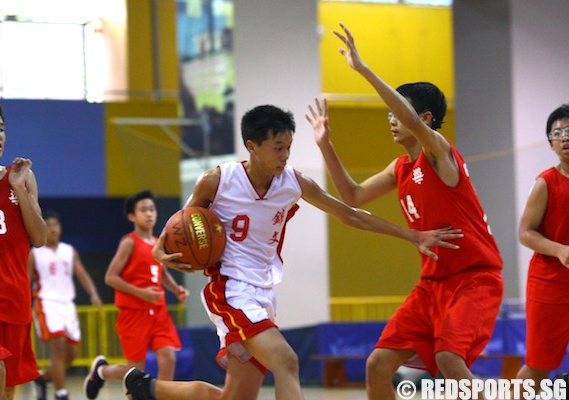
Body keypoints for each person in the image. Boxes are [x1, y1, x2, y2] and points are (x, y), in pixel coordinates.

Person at [137, 103, 463, 400]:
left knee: (235, 397)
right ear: (252, 146)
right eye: (278, 148)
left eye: (289, 148)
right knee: (287, 361)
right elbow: (170, 236)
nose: (285, 155)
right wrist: (159, 254)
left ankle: (146, 388)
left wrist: (410, 235)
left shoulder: (293, 182)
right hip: (229, 289)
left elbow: (348, 213)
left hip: (263, 293)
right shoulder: (217, 181)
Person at [305, 23, 504, 400]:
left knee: (449, 359)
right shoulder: (400, 168)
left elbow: (408, 118)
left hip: (473, 278)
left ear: (425, 119)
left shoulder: (439, 153)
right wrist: (325, 144)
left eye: (397, 112)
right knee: (377, 365)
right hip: (432, 283)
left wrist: (362, 69)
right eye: (389, 115)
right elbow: (353, 195)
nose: (392, 120)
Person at [0, 99, 47, 400]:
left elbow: (38, 237)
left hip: (15, 299)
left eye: (2, 129)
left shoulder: (23, 177)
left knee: (7, 391)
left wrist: (18, 190)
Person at [84, 190, 193, 399]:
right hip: (134, 313)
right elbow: (110, 277)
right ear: (132, 216)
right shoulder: (129, 242)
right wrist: (141, 293)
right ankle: (102, 371)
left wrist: (175, 289)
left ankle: (162, 396)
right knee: (136, 372)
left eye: (152, 209)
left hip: (158, 311)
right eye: (143, 210)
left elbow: (161, 274)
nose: (149, 214)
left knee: (168, 358)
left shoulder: (158, 244)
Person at [515, 104, 569, 398]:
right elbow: (525, 232)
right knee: (538, 366)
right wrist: (560, 250)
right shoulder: (545, 182)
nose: (564, 138)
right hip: (549, 284)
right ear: (550, 143)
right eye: (557, 133)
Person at [28, 210, 103, 400]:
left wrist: (93, 293)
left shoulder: (69, 251)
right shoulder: (35, 254)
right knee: (58, 349)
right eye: (48, 225)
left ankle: (42, 379)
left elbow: (82, 274)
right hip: (46, 304)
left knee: (71, 354)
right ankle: (61, 393)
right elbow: (26, 282)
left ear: (60, 228)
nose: (53, 229)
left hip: (67, 305)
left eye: (55, 224)